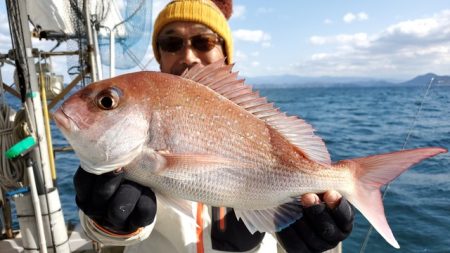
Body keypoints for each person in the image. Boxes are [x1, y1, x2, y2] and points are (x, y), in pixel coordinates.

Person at [74, 0, 355, 252]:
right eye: (171, 44)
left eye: (203, 41)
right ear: (159, 56)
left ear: (225, 52)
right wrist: (108, 223)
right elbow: (105, 240)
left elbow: (296, 222)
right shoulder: (120, 145)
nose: (188, 56)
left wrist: (321, 244)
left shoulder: (261, 123)